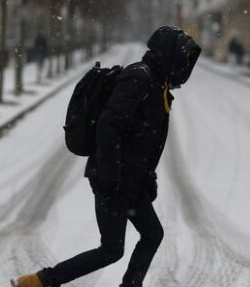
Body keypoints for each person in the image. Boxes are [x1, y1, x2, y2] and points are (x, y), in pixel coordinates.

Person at [11, 26, 202, 287]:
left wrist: (147, 179)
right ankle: (39, 281)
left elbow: (146, 143)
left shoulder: (157, 83)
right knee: (111, 249)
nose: (184, 65)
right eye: (182, 58)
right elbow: (108, 126)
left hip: (131, 180)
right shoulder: (140, 77)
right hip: (113, 178)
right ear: (168, 53)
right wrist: (111, 176)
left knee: (152, 234)